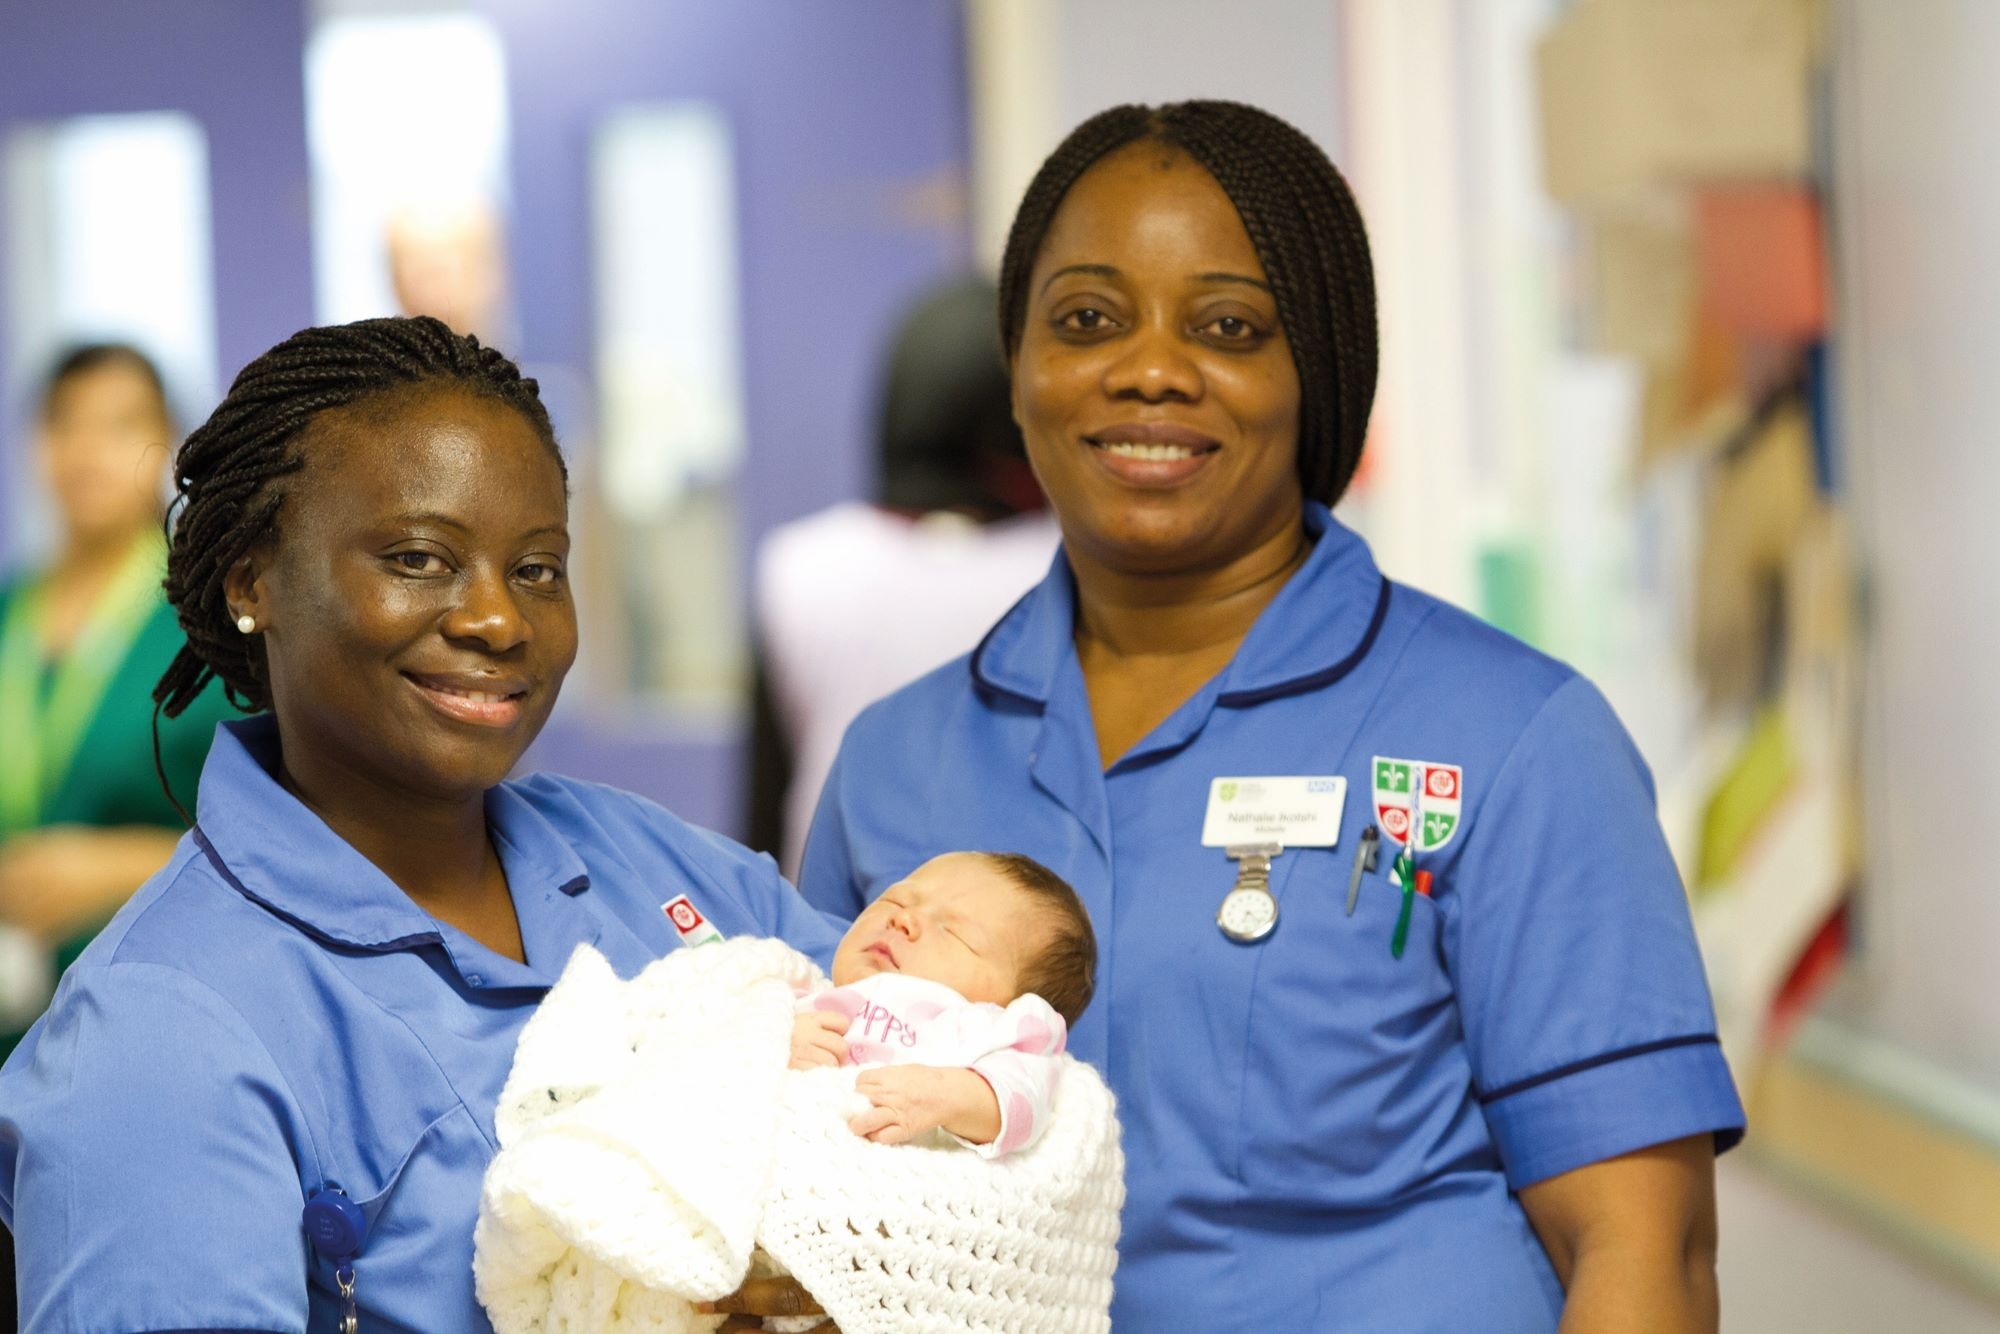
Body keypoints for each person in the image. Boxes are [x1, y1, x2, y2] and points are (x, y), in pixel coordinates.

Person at [799, 101, 1747, 1330]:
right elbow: (803, 1162)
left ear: (1320, 373)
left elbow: (1643, 1251)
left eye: (1228, 326)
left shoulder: (1511, 739)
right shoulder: (897, 762)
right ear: (1019, 372)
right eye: (1086, 319)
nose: (1147, 366)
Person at [0, 318, 840, 1333]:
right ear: (250, 580)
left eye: (536, 567)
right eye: (418, 557)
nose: (498, 618)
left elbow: (936, 1099)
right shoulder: (153, 1042)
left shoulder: (666, 869)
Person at [747, 276, 1059, 877]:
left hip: (831, 919)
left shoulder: (804, 563)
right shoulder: (1067, 565)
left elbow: (764, 802)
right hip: (1018, 924)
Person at [0, 345, 236, 1060]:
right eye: (66, 423)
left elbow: (293, 829)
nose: (87, 451)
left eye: (120, 424)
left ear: (169, 449)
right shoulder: (13, 609)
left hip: (153, 1008)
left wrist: (119, 866)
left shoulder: (213, 624)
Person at [790, 850, 1095, 1156]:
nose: (903, 918)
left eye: (953, 931)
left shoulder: (989, 1033)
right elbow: (748, 1030)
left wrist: (947, 1096)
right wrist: (781, 1039)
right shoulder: (804, 990)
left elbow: (1025, 1100)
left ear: (1011, 1006)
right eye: (895, 900)